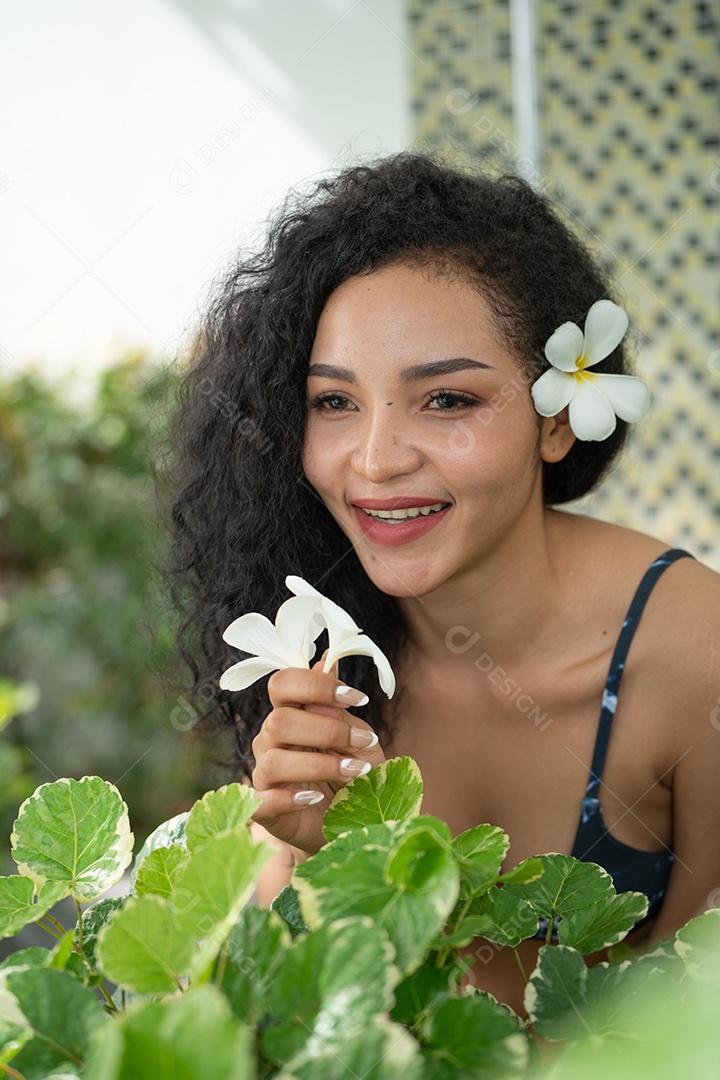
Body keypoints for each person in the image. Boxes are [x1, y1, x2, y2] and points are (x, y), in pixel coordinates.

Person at [167, 152, 720, 1014]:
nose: (378, 461)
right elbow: (288, 1022)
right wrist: (331, 857)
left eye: (448, 401)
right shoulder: (321, 644)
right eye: (334, 403)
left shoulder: (697, 657)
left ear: (559, 421)